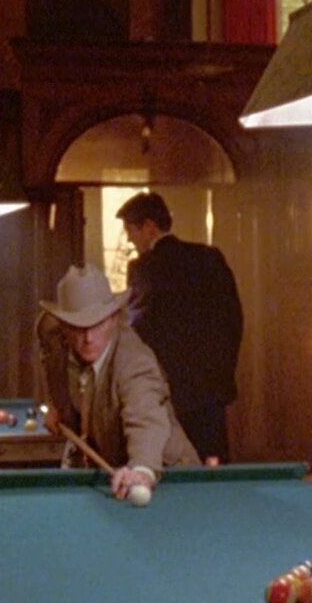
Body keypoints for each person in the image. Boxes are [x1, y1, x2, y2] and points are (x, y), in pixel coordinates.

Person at [37, 265, 199, 500]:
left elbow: (146, 417)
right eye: (79, 327)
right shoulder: (57, 347)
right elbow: (67, 384)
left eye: (97, 324)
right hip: (112, 476)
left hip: (170, 479)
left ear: (113, 318)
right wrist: (59, 410)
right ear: (64, 326)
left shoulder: (134, 363)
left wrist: (142, 470)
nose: (88, 338)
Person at [114, 191, 244, 461]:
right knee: (213, 466)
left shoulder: (144, 268)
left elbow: (137, 329)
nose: (129, 240)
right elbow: (233, 320)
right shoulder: (210, 257)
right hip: (211, 390)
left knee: (173, 466)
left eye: (130, 231)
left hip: (170, 394)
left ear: (149, 227)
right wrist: (221, 374)